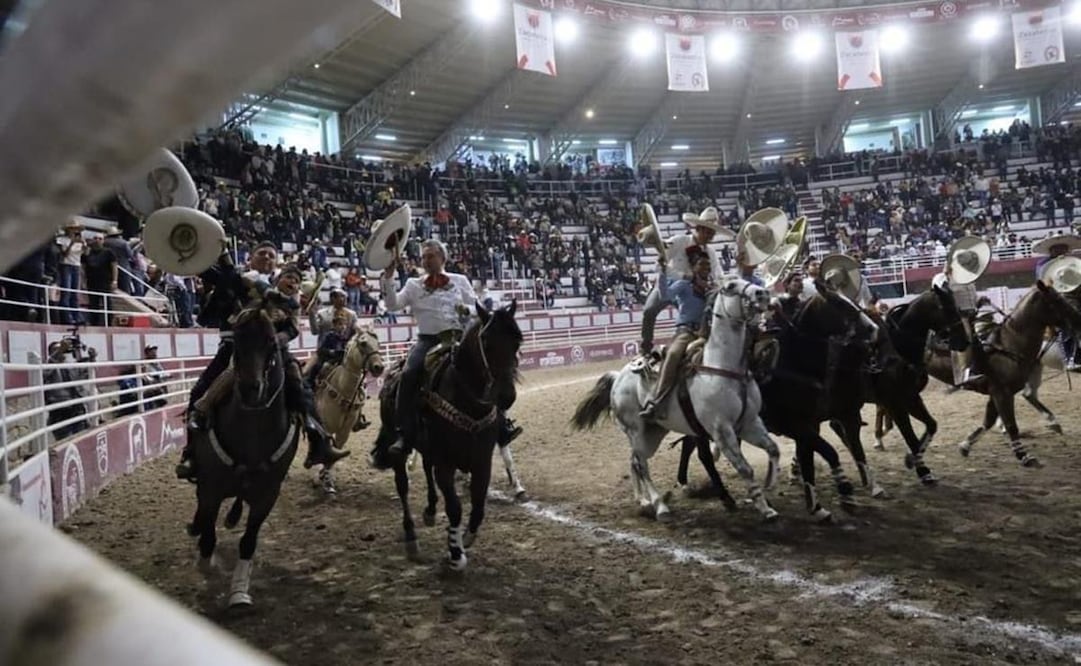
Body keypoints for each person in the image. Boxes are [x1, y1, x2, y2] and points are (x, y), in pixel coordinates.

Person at [176, 245, 347, 480]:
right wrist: (192, 257)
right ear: (251, 258)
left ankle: (318, 439)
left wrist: (276, 340)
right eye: (262, 253)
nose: (266, 257)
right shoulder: (243, 279)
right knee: (199, 389)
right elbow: (220, 277)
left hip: (271, 349)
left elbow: (292, 326)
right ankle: (191, 452)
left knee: (300, 387)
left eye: (271, 255)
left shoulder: (283, 295)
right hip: (234, 346)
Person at [376, 239, 520, 467]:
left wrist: (468, 309)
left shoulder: (459, 280)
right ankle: (404, 433)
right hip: (428, 341)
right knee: (409, 373)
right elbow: (393, 305)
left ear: (442, 258)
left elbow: (478, 307)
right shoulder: (413, 285)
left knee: (488, 370)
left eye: (430, 256)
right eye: (424, 257)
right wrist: (390, 278)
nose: (426, 260)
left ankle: (501, 425)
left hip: (459, 339)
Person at [639, 207, 723, 354]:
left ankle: (695, 345)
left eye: (712, 233)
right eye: (708, 232)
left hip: (690, 292)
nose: (710, 236)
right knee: (649, 310)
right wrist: (683, 276)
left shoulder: (711, 253)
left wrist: (713, 284)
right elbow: (659, 265)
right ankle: (646, 346)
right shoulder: (678, 241)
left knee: (692, 320)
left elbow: (718, 276)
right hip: (669, 285)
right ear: (699, 228)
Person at [639, 254, 713, 421]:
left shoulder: (712, 288)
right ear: (693, 268)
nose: (706, 269)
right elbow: (665, 296)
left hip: (709, 333)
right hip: (686, 332)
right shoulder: (684, 285)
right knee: (673, 355)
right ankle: (657, 400)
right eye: (702, 265)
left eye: (708, 266)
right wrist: (663, 272)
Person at [932, 258, 983, 386]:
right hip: (957, 318)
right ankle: (964, 373)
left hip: (973, 314)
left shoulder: (969, 281)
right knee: (966, 336)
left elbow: (973, 301)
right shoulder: (941, 278)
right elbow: (940, 294)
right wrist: (946, 275)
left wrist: (980, 301)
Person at [305, 287, 358, 387]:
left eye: (345, 296)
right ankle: (310, 388)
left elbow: (354, 332)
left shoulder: (352, 314)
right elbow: (315, 331)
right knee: (310, 370)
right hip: (324, 352)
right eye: (341, 296)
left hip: (344, 352)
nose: (344, 299)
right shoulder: (322, 314)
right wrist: (311, 313)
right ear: (333, 299)